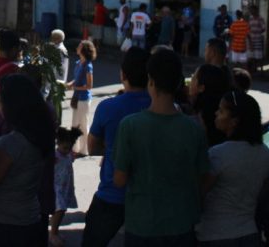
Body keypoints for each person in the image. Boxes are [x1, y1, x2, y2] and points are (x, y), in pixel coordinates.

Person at [113, 49, 210, 247]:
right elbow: (204, 178)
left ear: (151, 81)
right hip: (181, 224)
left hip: (142, 224)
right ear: (179, 83)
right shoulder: (194, 129)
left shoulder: (130, 126)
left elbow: (119, 180)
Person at [82, 47, 152, 247]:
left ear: (123, 74)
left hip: (112, 193)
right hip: (148, 196)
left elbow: (92, 147)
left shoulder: (108, 107)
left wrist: (111, 147)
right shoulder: (160, 107)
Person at [0, 74, 54, 246]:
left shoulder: (11, 143)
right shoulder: (38, 135)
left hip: (4, 224)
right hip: (29, 218)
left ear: (11, 104)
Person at [196, 91, 269, 246]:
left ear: (234, 121)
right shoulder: (266, 154)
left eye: (221, 111)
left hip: (215, 233)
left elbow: (199, 192)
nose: (216, 113)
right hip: (249, 232)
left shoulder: (219, 154)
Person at [49, 126, 81, 247]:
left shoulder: (68, 155)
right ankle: (53, 233)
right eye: (65, 148)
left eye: (70, 148)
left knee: (61, 210)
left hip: (65, 187)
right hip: (56, 187)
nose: (67, 150)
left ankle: (55, 231)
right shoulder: (55, 156)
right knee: (60, 209)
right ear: (58, 143)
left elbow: (70, 159)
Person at [189, 64, 230, 147]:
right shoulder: (223, 117)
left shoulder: (197, 120)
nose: (190, 81)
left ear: (201, 88)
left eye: (193, 78)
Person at [66, 40, 95, 156]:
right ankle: (74, 148)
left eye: (79, 46)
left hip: (83, 99)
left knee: (83, 125)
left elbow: (89, 86)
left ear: (84, 50)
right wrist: (71, 83)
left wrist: (75, 87)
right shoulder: (79, 63)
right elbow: (77, 78)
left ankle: (84, 150)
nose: (77, 47)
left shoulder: (88, 66)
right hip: (77, 97)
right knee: (75, 124)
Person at [248, 5, 266, 71]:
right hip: (251, 40)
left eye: (252, 10)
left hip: (258, 40)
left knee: (259, 56)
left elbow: (264, 28)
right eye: (251, 10)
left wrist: (257, 31)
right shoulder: (250, 18)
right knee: (251, 55)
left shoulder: (261, 19)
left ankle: (261, 70)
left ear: (256, 10)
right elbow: (248, 28)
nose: (251, 11)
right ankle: (252, 69)